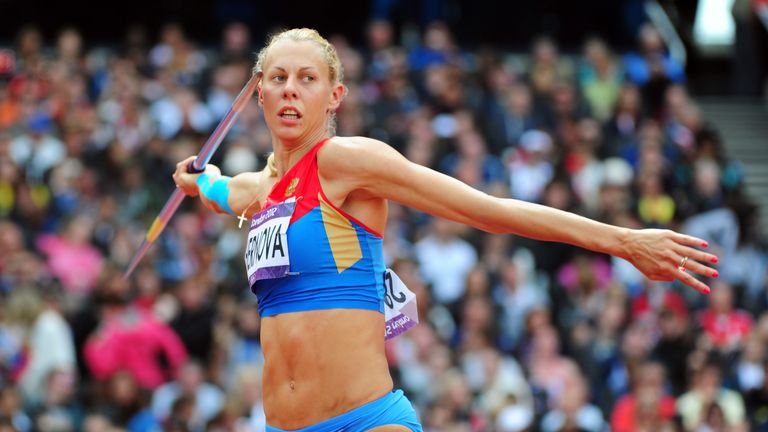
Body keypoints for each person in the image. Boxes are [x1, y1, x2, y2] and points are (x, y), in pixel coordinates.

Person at [172, 28, 719, 432]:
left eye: (307, 79)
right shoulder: (258, 192)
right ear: (259, 93)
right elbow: (221, 189)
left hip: (367, 421)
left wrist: (623, 241)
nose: (290, 90)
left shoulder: (346, 161)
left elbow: (487, 209)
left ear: (334, 96)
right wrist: (199, 181)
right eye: (278, 78)